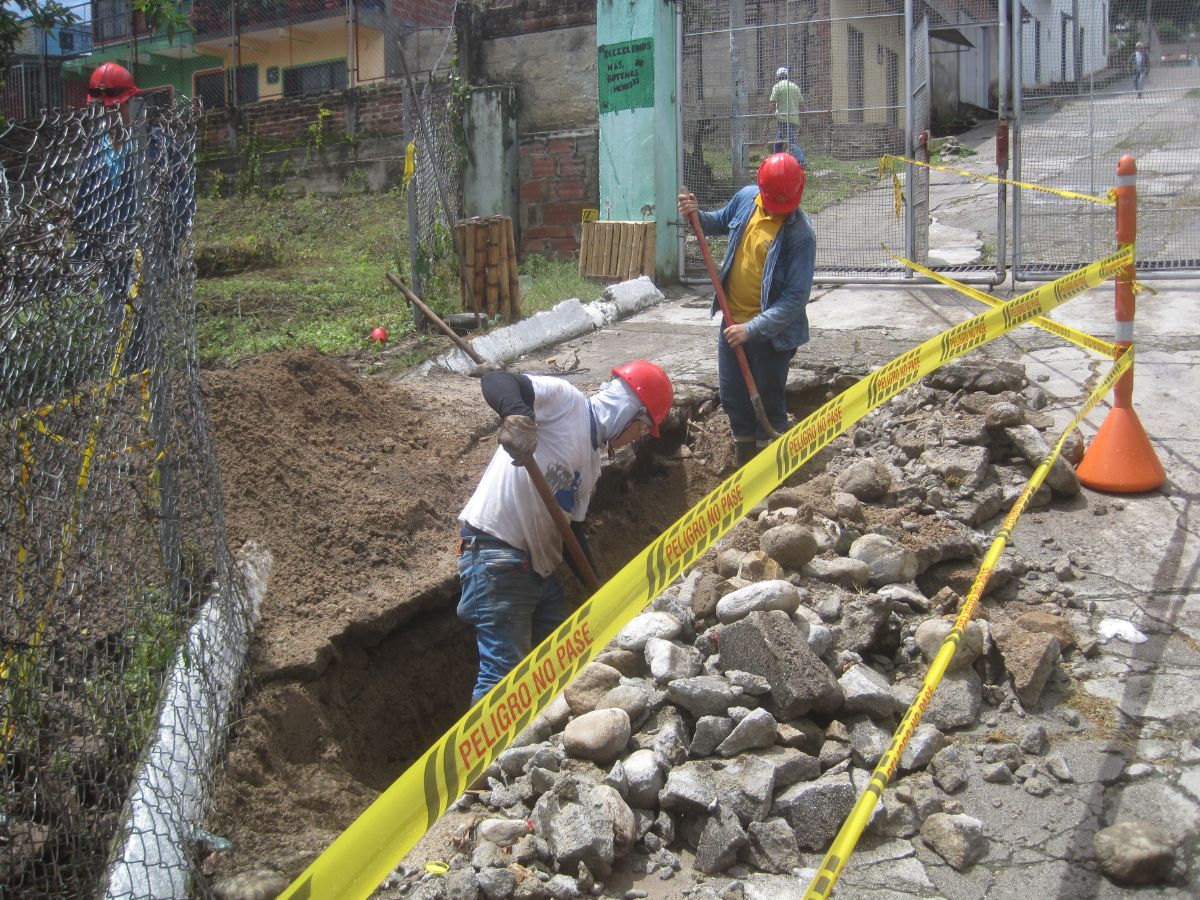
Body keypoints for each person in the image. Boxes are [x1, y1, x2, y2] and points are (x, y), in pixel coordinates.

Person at [456, 361, 674, 703]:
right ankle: (487, 740)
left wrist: (599, 592)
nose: (638, 438)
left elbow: (574, 533)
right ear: (631, 412)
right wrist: (518, 416)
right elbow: (498, 380)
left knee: (564, 661)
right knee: (504, 678)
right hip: (496, 554)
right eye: (643, 428)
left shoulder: (592, 464)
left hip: (538, 569)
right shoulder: (566, 402)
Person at [678, 153, 815, 468]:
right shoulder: (746, 200)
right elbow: (718, 222)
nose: (778, 210)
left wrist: (751, 330)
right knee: (733, 397)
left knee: (768, 404)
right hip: (731, 323)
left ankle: (769, 474)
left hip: (770, 336)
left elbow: (795, 298)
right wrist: (696, 214)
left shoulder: (800, 235)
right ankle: (744, 465)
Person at [768, 66, 806, 165]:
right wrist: (802, 125)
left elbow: (771, 106)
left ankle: (802, 162)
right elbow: (802, 107)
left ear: (778, 77)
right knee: (778, 143)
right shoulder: (795, 87)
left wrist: (766, 124)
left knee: (791, 142)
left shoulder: (777, 87)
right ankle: (779, 162)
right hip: (794, 119)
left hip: (783, 119)